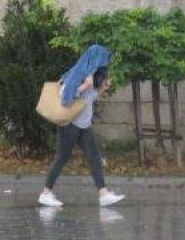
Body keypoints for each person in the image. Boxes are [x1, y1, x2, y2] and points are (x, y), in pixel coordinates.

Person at [38, 45, 126, 207]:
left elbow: (89, 100)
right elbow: (66, 96)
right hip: (70, 124)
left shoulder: (93, 75)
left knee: (94, 158)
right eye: (102, 61)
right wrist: (84, 86)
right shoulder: (78, 73)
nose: (104, 65)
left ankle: (103, 194)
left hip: (84, 125)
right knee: (62, 157)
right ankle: (46, 193)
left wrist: (102, 89)